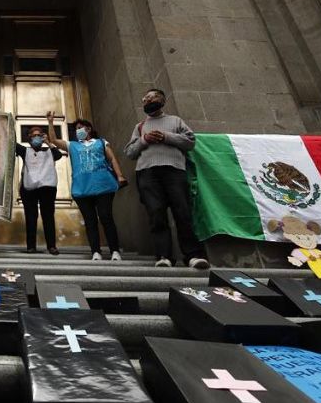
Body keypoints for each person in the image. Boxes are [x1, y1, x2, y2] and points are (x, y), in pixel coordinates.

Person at [123, 88, 210, 269]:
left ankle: (193, 255)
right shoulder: (140, 126)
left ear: (162, 100)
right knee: (156, 214)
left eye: (152, 97)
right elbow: (130, 152)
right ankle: (164, 256)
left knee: (183, 212)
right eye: (145, 98)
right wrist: (145, 139)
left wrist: (166, 137)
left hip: (174, 171)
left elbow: (190, 142)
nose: (147, 100)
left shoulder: (175, 121)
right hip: (147, 173)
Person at [48, 112, 127, 261]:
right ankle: (95, 251)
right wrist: (50, 122)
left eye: (80, 127)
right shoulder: (72, 145)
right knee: (90, 221)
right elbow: (53, 140)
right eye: (76, 129)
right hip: (82, 189)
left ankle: (115, 251)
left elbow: (112, 158)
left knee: (106, 217)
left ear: (88, 129)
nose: (77, 131)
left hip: (103, 186)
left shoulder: (102, 142)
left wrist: (120, 175)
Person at [16, 125, 63, 255]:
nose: (36, 138)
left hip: (47, 188)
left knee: (48, 217)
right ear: (29, 139)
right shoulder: (25, 151)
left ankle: (51, 246)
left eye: (39, 135)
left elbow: (58, 155)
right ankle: (31, 246)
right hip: (29, 188)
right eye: (33, 136)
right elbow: (11, 143)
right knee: (31, 217)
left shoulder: (49, 151)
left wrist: (48, 142)